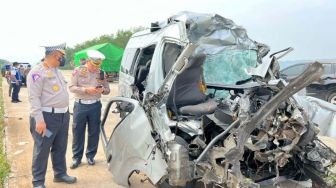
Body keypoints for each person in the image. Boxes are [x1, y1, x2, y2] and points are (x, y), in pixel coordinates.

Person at [27, 43, 77, 188]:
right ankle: (38, 182)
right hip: (46, 119)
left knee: (60, 147)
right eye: (61, 57)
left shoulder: (56, 70)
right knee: (42, 149)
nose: (62, 60)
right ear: (54, 55)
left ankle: (60, 174)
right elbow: (34, 98)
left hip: (62, 117)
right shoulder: (36, 72)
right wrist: (39, 121)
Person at [69, 50, 110, 169]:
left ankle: (91, 156)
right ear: (88, 61)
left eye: (98, 65)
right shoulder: (78, 71)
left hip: (95, 106)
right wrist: (86, 90)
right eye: (93, 65)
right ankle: (76, 158)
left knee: (94, 132)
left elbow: (107, 90)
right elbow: (71, 87)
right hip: (80, 105)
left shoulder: (102, 73)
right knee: (78, 132)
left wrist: (103, 90)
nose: (95, 68)